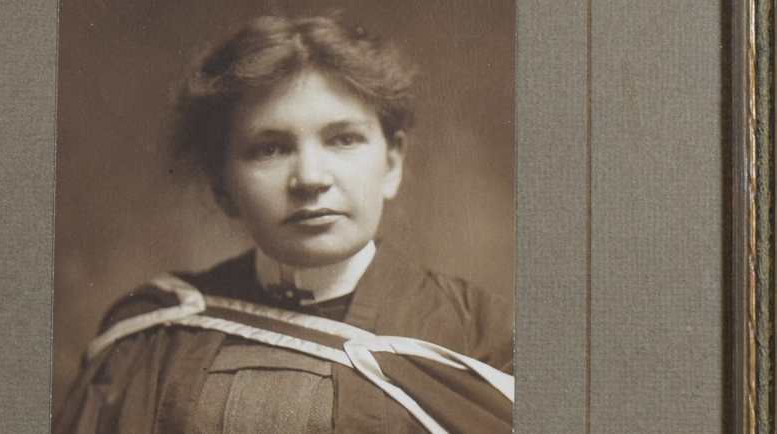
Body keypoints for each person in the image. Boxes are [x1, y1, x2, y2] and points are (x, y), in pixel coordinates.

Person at [53, 14, 513, 434]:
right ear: (223, 185)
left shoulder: (486, 338)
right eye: (269, 149)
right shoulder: (152, 338)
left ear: (392, 163)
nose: (310, 178)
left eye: (344, 139)